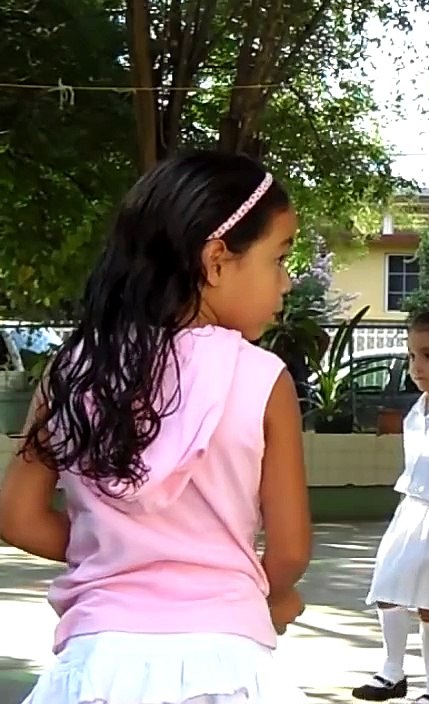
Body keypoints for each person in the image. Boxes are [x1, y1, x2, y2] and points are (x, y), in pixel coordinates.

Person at [0, 152, 311, 703]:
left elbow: (18, 518)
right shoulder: (264, 380)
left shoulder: (74, 370)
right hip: (225, 660)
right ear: (216, 260)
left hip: (99, 662)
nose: (286, 283)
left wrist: (119, 554)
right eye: (279, 258)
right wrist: (269, 594)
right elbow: (288, 551)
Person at [353, 310, 429, 703]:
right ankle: (392, 671)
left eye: (428, 355)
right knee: (387, 586)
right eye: (412, 355)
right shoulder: (418, 409)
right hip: (411, 508)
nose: (417, 366)